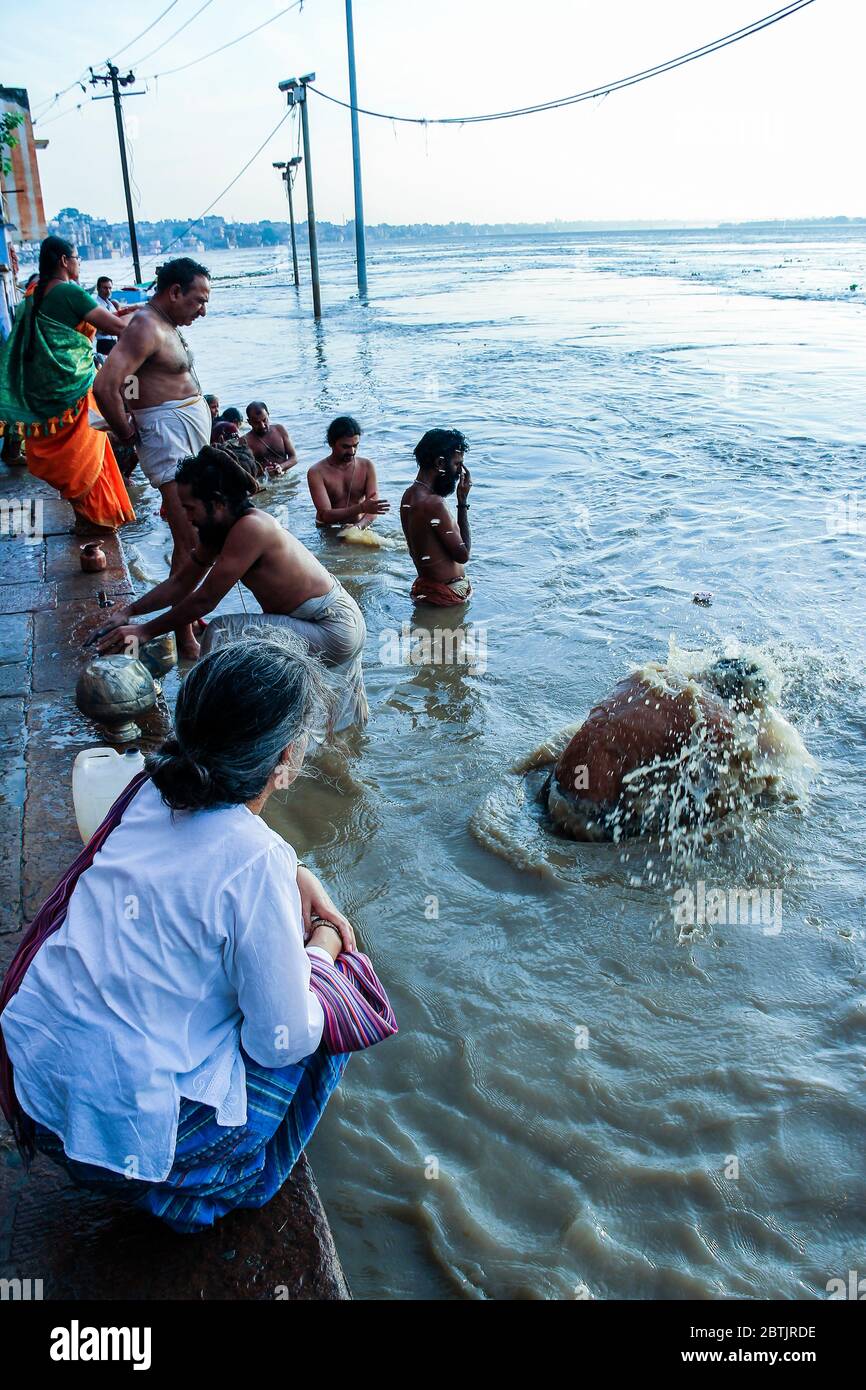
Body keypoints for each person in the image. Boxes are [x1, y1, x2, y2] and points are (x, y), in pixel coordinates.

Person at [0, 635, 363, 1232]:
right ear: (287, 760)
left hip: (39, 1094)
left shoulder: (145, 789)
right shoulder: (254, 859)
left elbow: (211, 847)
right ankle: (209, 1185)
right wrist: (322, 946)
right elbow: (282, 1041)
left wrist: (294, 872)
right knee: (337, 999)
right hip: (117, 1149)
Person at [96, 446, 369, 727]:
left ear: (217, 503)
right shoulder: (218, 529)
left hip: (332, 626)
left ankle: (203, 726)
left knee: (221, 632)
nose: (186, 517)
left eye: (190, 508)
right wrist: (129, 612)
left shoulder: (251, 528)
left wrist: (145, 630)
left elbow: (205, 600)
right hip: (315, 623)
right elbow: (180, 583)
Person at [545, 655, 813, 842]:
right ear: (742, 703)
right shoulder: (715, 718)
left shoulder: (653, 675)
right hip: (584, 819)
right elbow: (737, 788)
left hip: (557, 784)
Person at [93, 257, 212, 657]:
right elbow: (106, 386)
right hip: (169, 443)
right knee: (190, 538)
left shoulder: (164, 325)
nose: (203, 310)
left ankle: (187, 619)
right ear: (174, 291)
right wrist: (127, 432)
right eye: (198, 300)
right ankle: (184, 637)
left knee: (192, 536)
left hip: (181, 439)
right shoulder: (146, 325)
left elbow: (131, 384)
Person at [0, 235, 135, 529]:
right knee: (90, 453)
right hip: (77, 390)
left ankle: (84, 515)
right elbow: (118, 328)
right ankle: (98, 519)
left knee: (76, 456)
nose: (78, 263)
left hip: (47, 393)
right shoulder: (70, 293)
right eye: (76, 258)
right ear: (64, 260)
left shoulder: (33, 294)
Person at [400, 428, 471, 606]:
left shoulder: (408, 496)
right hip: (447, 595)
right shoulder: (434, 504)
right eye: (457, 464)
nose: (459, 473)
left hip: (427, 590)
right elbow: (463, 555)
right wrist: (462, 503)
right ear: (440, 463)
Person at [308, 415, 389, 535]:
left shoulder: (367, 466)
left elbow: (372, 509)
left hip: (359, 525)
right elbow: (325, 515)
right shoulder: (316, 472)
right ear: (331, 443)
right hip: (328, 529)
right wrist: (361, 508)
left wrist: (358, 527)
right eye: (345, 446)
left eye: (355, 445)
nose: (352, 452)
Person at [244, 401, 297, 478]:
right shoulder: (245, 441)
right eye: (256, 423)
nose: (262, 425)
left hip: (286, 477)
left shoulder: (280, 430)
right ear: (249, 422)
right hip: (264, 483)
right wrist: (264, 471)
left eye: (264, 420)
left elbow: (294, 458)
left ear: (268, 414)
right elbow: (246, 471)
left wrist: (281, 467)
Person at [94, 276, 120, 357]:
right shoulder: (95, 305)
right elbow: (100, 328)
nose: (108, 291)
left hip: (114, 341)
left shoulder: (111, 304)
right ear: (98, 289)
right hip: (103, 343)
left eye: (110, 288)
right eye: (105, 288)